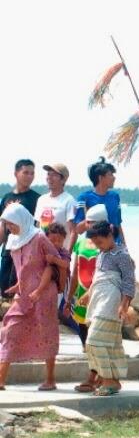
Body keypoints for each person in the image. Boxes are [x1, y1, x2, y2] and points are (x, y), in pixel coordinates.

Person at [0, 204, 60, 391]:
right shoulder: (14, 241)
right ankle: (1, 379)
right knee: (10, 329)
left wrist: (40, 290)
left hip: (43, 295)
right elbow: (22, 269)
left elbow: (53, 266)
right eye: (7, 225)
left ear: (21, 219)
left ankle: (50, 380)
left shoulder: (40, 238)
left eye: (11, 224)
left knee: (46, 333)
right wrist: (18, 285)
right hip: (24, 295)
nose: (9, 228)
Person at [77, 221, 134, 396]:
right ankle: (111, 380)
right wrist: (88, 294)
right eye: (95, 243)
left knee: (94, 340)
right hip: (98, 299)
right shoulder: (101, 254)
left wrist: (124, 305)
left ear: (110, 236)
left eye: (100, 242)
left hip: (111, 301)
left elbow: (129, 283)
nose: (98, 246)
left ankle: (108, 380)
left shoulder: (122, 255)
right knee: (105, 342)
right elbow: (98, 278)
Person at [67, 205, 109, 393]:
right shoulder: (81, 243)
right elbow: (76, 270)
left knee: (97, 339)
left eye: (94, 223)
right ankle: (96, 373)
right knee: (86, 340)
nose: (90, 226)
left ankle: (96, 376)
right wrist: (69, 297)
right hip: (81, 298)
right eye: (88, 222)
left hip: (99, 297)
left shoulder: (108, 245)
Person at [0, 160, 41, 294]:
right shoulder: (6, 197)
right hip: (8, 251)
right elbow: (2, 226)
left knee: (22, 292)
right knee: (4, 290)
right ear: (16, 174)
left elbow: (39, 227)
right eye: (26, 172)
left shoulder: (37, 199)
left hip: (27, 254)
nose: (30, 176)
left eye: (32, 173)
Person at [74, 157, 125, 246]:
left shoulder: (115, 197)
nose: (114, 178)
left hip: (115, 247)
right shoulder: (84, 198)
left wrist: (125, 247)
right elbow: (78, 230)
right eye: (110, 174)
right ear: (101, 178)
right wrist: (91, 217)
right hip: (94, 248)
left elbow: (118, 224)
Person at [34, 163, 76, 251]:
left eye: (54, 175)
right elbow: (37, 228)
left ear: (63, 180)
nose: (49, 177)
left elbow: (73, 231)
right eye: (48, 174)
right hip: (42, 252)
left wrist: (68, 255)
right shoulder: (41, 199)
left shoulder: (69, 200)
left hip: (60, 253)